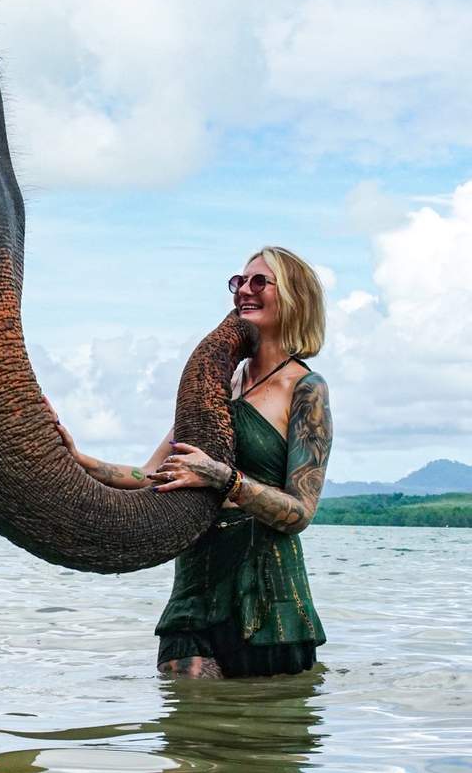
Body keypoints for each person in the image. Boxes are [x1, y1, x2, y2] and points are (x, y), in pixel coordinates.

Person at [47, 246, 332, 678]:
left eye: (260, 282)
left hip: (268, 592)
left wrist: (223, 478)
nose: (243, 291)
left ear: (294, 297)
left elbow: (299, 512)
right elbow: (152, 475)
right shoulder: (218, 382)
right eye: (238, 282)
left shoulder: (306, 389)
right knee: (186, 730)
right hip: (195, 584)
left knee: (264, 738)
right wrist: (78, 458)